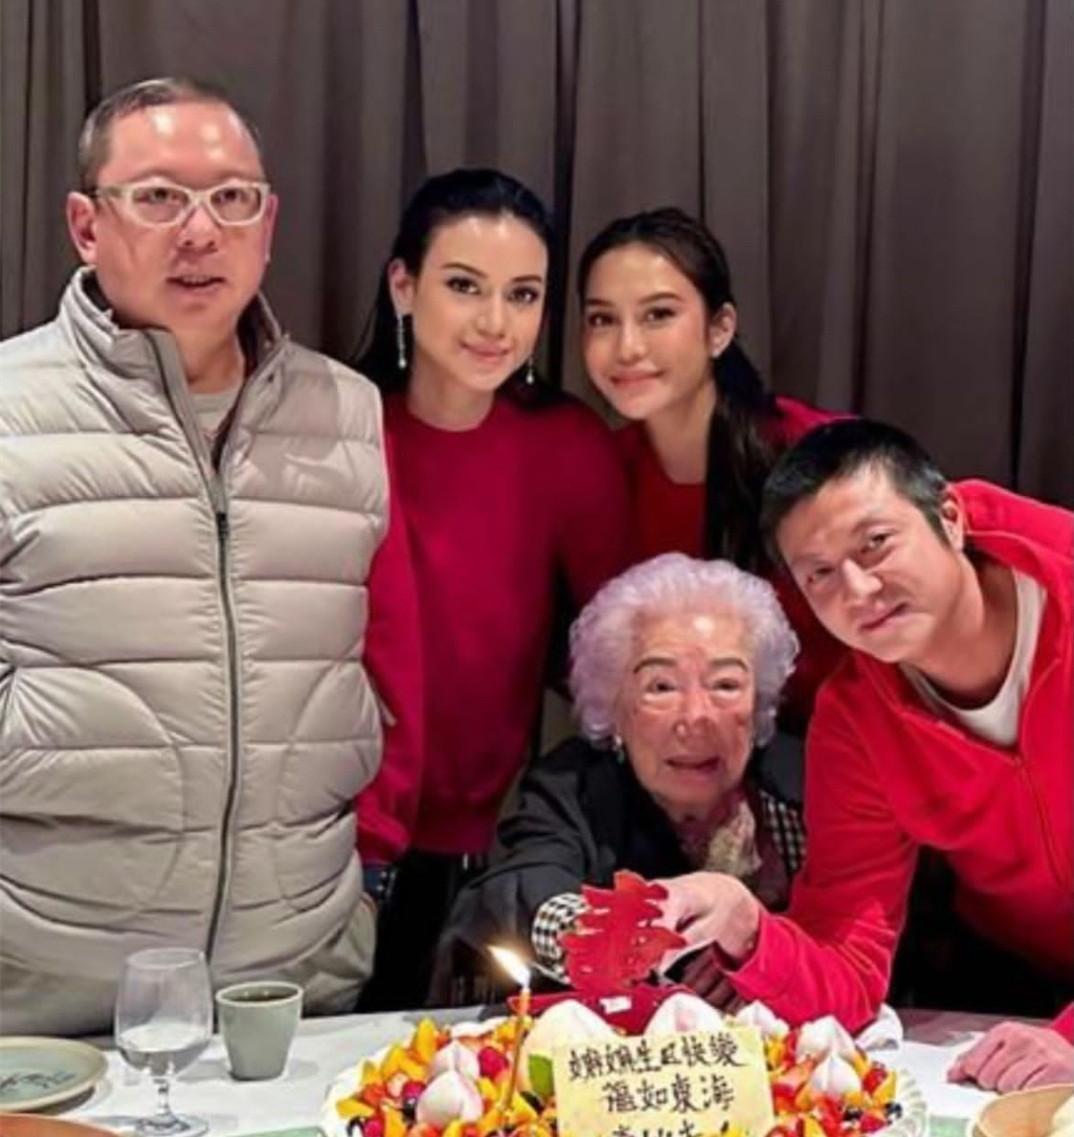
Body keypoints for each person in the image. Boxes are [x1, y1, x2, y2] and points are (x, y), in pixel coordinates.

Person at [0, 77, 421, 1036]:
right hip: (44, 986)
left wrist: (358, 886)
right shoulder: (9, 408)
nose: (200, 231)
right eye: (158, 197)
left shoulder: (346, 412)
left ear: (268, 224)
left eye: (232, 198)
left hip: (296, 976)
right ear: (85, 225)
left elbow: (379, 665)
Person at [655, 419, 1073, 1091]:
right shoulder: (856, 722)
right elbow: (847, 965)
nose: (857, 590)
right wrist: (744, 922)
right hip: (1022, 990)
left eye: (875, 544)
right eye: (819, 574)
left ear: (950, 517)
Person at [353, 169, 634, 1009]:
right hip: (327, 831)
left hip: (492, 843)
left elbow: (614, 652)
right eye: (464, 286)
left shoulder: (566, 447)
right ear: (404, 285)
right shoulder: (340, 425)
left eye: (522, 295)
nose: (494, 323)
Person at [438, 553, 803, 1004]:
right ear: (614, 705)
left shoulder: (805, 783)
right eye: (661, 687)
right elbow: (522, 886)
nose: (696, 716)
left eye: (725, 685)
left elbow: (857, 929)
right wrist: (615, 938)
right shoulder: (573, 787)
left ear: (759, 699)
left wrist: (763, 951)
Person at [577, 207, 844, 730]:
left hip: (839, 747)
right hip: (678, 754)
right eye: (602, 320)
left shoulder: (820, 456)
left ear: (719, 329)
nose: (627, 348)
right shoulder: (598, 472)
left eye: (658, 314)